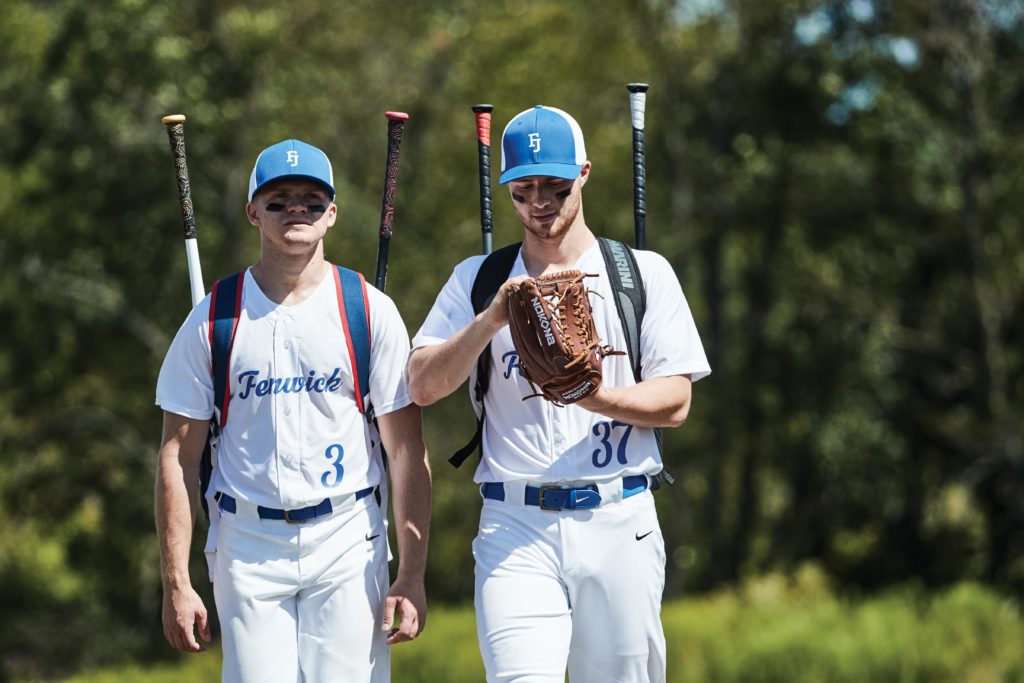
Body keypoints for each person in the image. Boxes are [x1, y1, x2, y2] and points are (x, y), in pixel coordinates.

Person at [407, 105, 710, 683]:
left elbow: (676, 401)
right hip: (514, 524)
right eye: (522, 191)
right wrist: (491, 320)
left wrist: (591, 396)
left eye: (555, 187)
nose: (539, 203)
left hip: (620, 515)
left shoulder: (639, 272)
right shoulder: (479, 278)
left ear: (584, 174)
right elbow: (421, 384)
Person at [155, 138, 430, 682]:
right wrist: (176, 582)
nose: (295, 211)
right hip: (246, 544)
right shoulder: (213, 318)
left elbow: (405, 451)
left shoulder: (368, 309)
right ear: (253, 212)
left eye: (311, 201)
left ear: (332, 213)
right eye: (278, 201)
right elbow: (178, 457)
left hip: (348, 538)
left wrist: (413, 574)